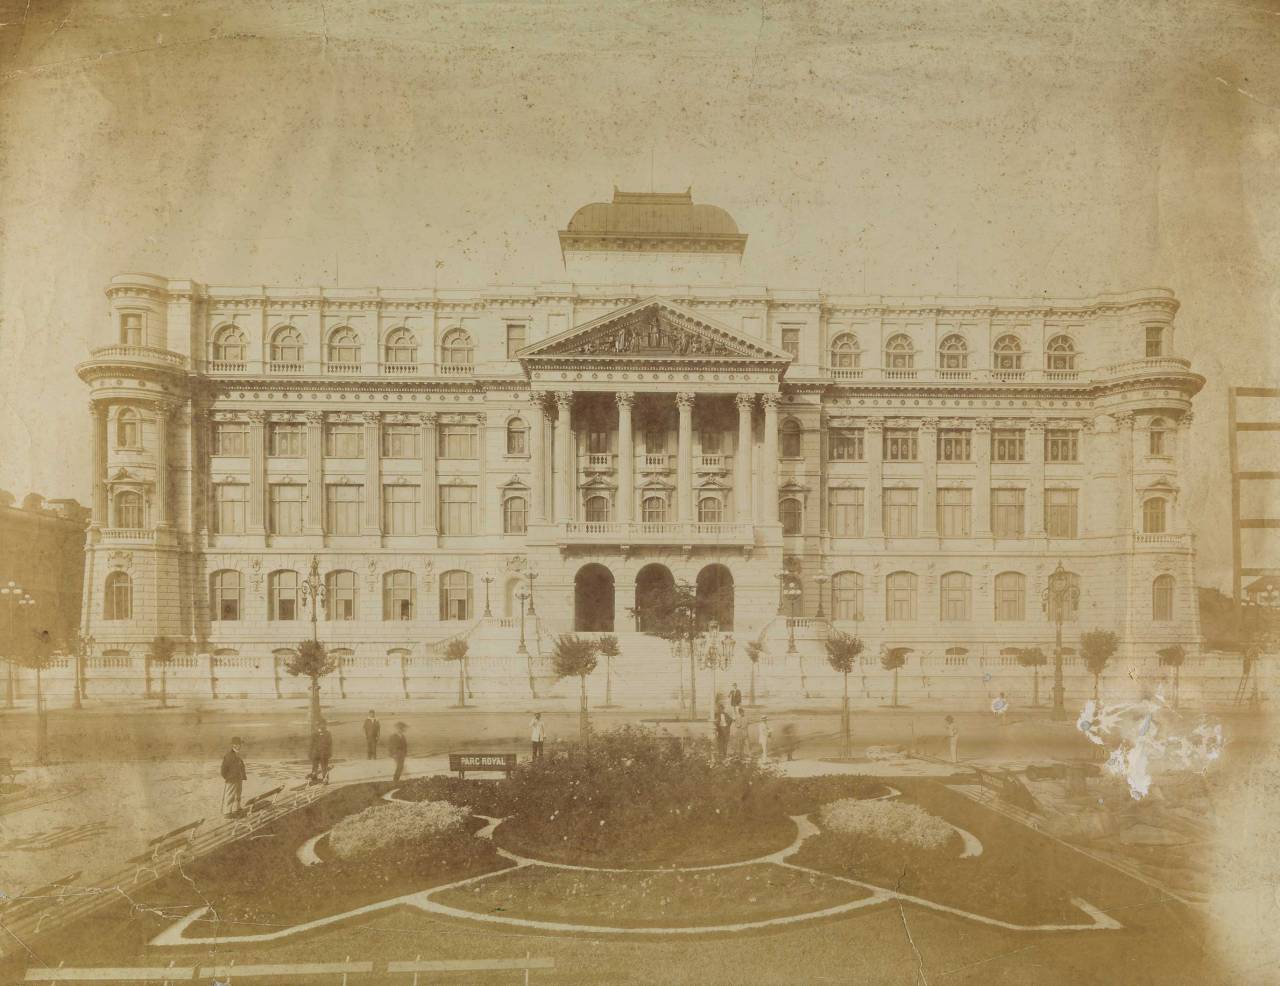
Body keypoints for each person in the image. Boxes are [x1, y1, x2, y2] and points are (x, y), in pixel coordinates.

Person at [220, 736, 246, 817]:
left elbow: (240, 766)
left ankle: (236, 809)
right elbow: (223, 770)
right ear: (233, 745)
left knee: (238, 794)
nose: (240, 746)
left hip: (239, 778)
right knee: (230, 795)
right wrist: (228, 777)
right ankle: (227, 812)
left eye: (240, 744)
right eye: (238, 744)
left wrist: (242, 775)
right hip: (231, 779)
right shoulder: (229, 755)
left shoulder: (237, 754)